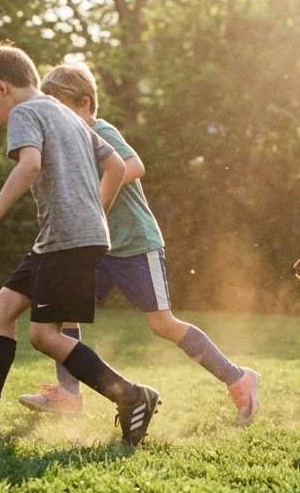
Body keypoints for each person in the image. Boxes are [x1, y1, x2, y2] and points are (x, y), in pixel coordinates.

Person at [0, 43, 160, 446]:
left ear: (1, 88)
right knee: (1, 309)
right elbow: (117, 165)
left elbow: (29, 164)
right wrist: (94, 213)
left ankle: (131, 396)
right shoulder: (64, 113)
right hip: (62, 237)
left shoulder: (25, 111)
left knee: (44, 335)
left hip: (67, 239)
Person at [18, 62, 261, 425]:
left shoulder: (99, 130)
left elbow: (133, 165)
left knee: (162, 323)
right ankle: (68, 394)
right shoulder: (67, 144)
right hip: (97, 247)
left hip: (135, 245)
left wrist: (95, 205)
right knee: (63, 314)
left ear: (85, 103)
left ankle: (238, 379)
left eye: (60, 107)